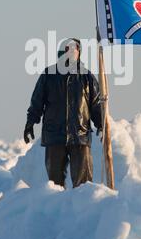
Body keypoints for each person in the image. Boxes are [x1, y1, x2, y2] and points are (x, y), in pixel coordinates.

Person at [24, 38, 102, 188]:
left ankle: (83, 210)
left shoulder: (87, 77)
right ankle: (55, 210)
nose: (73, 51)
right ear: (62, 52)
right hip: (54, 136)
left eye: (76, 48)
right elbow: (37, 103)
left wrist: (101, 125)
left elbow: (95, 105)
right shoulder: (48, 75)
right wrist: (30, 122)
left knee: (83, 185)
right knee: (54, 185)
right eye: (69, 48)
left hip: (80, 136)